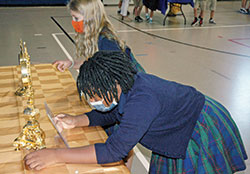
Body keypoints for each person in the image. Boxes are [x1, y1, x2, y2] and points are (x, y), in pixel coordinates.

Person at [25, 51, 248, 173]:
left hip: (200, 125)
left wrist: (55, 155)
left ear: (113, 83)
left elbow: (114, 151)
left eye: (95, 96)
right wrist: (76, 120)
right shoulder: (125, 87)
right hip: (178, 123)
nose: (93, 103)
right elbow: (112, 113)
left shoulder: (143, 101)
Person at [53, 0, 144, 73]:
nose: (73, 22)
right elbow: (92, 62)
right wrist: (71, 64)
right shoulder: (95, 35)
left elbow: (120, 77)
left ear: (90, 18)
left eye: (76, 18)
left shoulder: (106, 42)